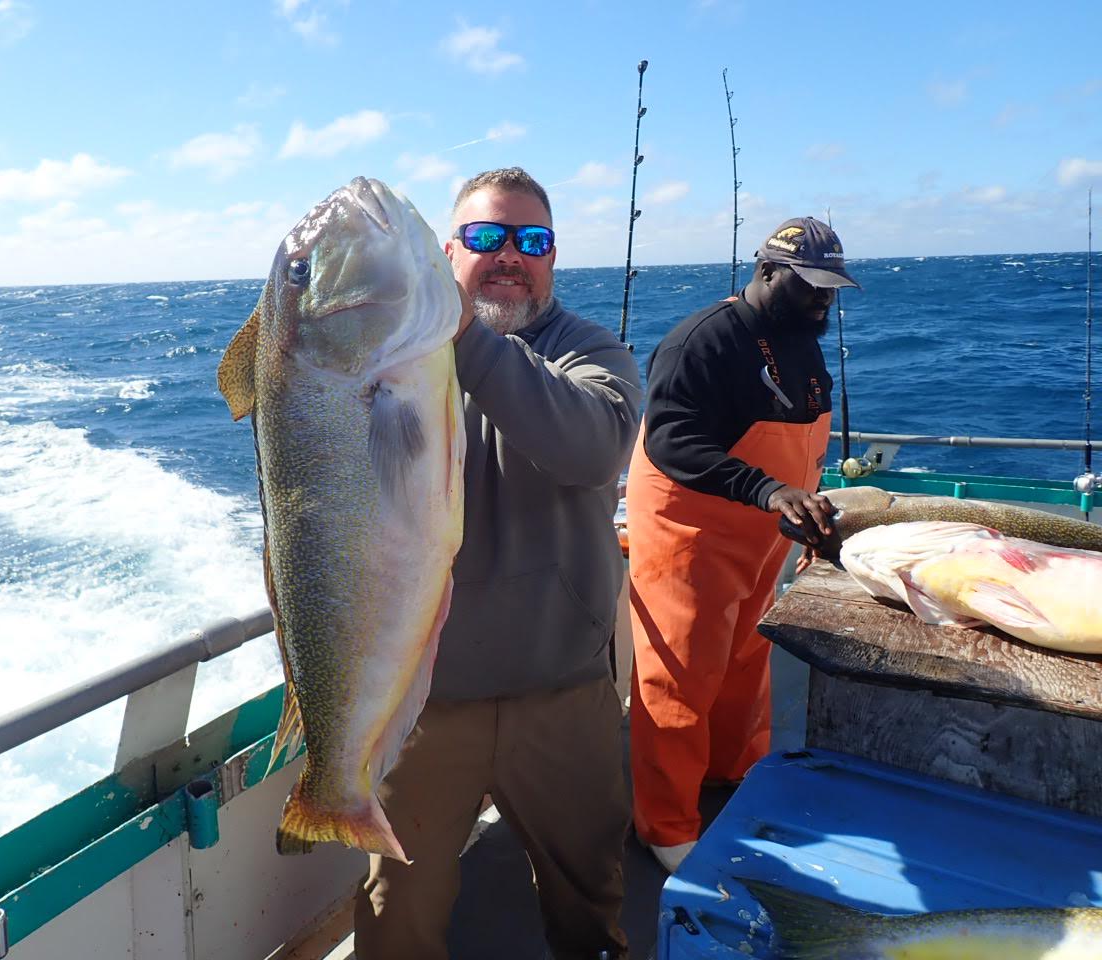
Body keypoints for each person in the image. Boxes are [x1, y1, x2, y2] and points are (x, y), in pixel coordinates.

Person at [353, 167, 642, 960]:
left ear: (553, 258)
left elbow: (589, 448)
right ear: (446, 253)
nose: (510, 255)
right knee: (396, 912)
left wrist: (466, 339)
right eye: (486, 238)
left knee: (590, 893)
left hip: (563, 696)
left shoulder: (592, 351)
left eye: (532, 240)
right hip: (426, 702)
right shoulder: (388, 360)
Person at [626, 217, 859, 873]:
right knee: (680, 674)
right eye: (810, 286)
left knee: (744, 657)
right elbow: (672, 439)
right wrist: (768, 490)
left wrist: (807, 512)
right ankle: (666, 825)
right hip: (690, 530)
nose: (822, 302)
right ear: (765, 273)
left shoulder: (804, 340)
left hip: (760, 534)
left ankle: (732, 771)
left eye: (830, 290)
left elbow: (804, 433)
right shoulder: (701, 344)